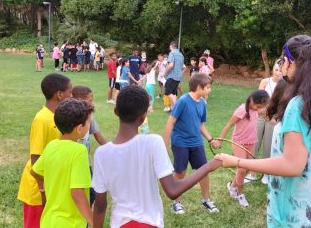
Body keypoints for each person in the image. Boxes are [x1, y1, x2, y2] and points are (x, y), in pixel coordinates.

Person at [216, 34, 311, 227]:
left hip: (293, 215)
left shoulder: (299, 105)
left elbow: (292, 165)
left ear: (288, 62)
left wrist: (236, 161)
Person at [92, 85, 221, 228]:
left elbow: (99, 205)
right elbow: (172, 191)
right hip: (150, 223)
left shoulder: (101, 153)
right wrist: (209, 166)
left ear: (116, 112)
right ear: (143, 117)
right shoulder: (152, 142)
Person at [17, 73, 73, 228]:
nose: (72, 95)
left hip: (51, 185)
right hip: (37, 190)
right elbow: (36, 157)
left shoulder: (57, 117)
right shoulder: (42, 119)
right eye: (70, 92)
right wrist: (43, 191)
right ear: (60, 95)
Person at [31, 98, 94, 227]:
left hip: (49, 221)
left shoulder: (51, 146)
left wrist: (54, 181)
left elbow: (34, 171)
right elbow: (77, 192)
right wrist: (94, 222)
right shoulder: (79, 151)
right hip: (70, 223)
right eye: (89, 123)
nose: (90, 126)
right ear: (79, 128)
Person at [164, 73, 220, 214]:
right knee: (180, 172)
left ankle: (206, 200)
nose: (209, 90)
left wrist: (210, 139)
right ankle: (177, 203)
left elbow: (200, 125)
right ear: (199, 87)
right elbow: (170, 123)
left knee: (203, 171)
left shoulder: (202, 103)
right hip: (180, 142)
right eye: (207, 87)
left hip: (196, 142)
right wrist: (165, 145)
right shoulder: (183, 101)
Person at [217, 90, 269, 207]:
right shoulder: (241, 110)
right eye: (257, 106)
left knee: (247, 168)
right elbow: (228, 125)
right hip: (239, 142)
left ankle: (232, 186)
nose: (258, 109)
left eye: (260, 107)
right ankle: (240, 194)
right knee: (241, 169)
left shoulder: (257, 109)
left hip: (251, 142)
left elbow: (265, 115)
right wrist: (220, 140)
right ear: (251, 100)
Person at [251, 63, 283, 184]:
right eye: (276, 69)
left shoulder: (284, 85)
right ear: (272, 70)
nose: (278, 72)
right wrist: (261, 110)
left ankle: (266, 173)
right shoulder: (265, 81)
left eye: (280, 70)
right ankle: (252, 172)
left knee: (268, 145)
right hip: (260, 115)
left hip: (273, 117)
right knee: (255, 142)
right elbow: (257, 98)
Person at [164, 41, 184, 111]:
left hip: (171, 76)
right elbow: (182, 67)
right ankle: (172, 109)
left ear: (171, 46)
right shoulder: (181, 55)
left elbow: (171, 65)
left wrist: (165, 72)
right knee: (174, 92)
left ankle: (177, 108)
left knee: (169, 92)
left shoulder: (172, 53)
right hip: (178, 77)